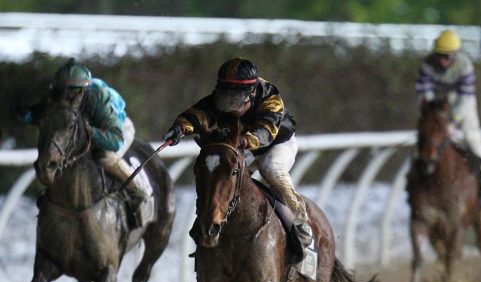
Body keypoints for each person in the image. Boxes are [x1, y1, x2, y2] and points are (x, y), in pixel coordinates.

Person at [163, 57, 312, 252]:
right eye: (226, 97)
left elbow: (265, 133)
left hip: (276, 144)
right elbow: (200, 113)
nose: (230, 105)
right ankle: (211, 224)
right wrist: (180, 127)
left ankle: (300, 221)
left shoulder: (270, 98)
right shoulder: (223, 95)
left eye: (235, 99)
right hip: (243, 146)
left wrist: (243, 141)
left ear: (251, 93)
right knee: (223, 175)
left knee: (271, 170)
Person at [13, 58, 151, 217]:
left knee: (104, 157)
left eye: (73, 91)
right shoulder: (57, 96)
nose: (67, 96)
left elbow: (115, 140)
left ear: (83, 90)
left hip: (118, 129)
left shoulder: (97, 97)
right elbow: (43, 116)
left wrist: (90, 131)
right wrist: (26, 115)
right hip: (83, 134)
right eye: (64, 91)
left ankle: (137, 191)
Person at [415, 29, 481, 192]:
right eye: (440, 55)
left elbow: (465, 98)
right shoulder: (426, 65)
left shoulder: (465, 65)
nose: (443, 61)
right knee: (424, 139)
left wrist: (452, 123)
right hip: (437, 103)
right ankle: (413, 180)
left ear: (455, 55)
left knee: (473, 139)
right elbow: (423, 94)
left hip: (461, 102)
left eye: (448, 56)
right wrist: (432, 115)